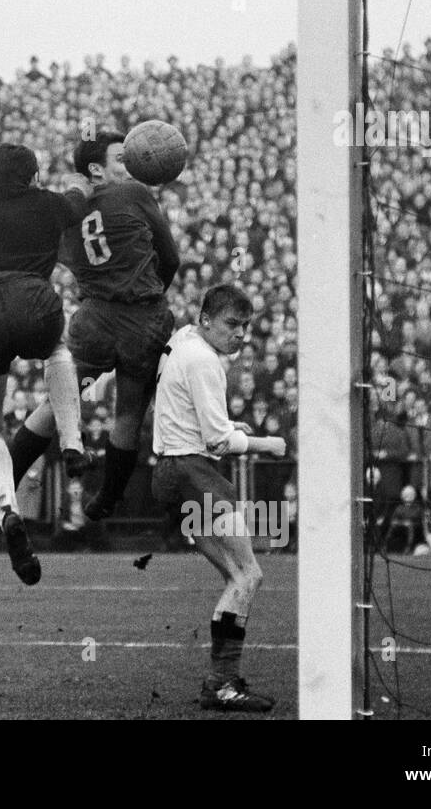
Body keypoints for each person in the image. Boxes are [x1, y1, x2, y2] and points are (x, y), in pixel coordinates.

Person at [6, 130, 181, 521]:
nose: (131, 166)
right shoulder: (134, 194)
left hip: (94, 318)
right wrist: (151, 292)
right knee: (129, 411)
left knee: (58, 404)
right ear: (97, 169)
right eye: (122, 159)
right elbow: (170, 257)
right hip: (141, 316)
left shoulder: (66, 213)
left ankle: (4, 480)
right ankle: (107, 498)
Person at [0, 142, 90, 585]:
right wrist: (77, 185)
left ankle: (7, 512)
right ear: (32, 176)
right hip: (30, 295)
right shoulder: (47, 202)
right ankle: (72, 443)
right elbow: (78, 202)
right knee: (58, 350)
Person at [151, 284, 286, 713]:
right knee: (249, 575)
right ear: (207, 319)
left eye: (246, 326)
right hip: (193, 474)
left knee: (237, 577)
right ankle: (223, 685)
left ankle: (220, 683)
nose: (240, 334)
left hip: (171, 472)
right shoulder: (207, 361)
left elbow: (202, 423)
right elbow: (216, 439)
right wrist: (270, 443)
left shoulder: (184, 339)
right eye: (232, 324)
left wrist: (233, 428)